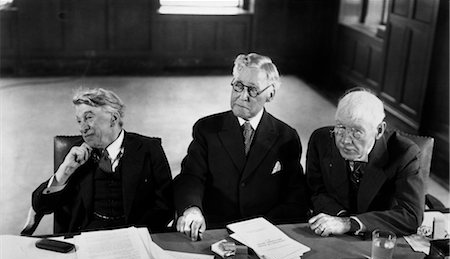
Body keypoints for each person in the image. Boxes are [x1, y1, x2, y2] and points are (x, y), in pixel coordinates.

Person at [174, 53, 308, 241]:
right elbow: (191, 177)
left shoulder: (286, 137)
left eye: (252, 90)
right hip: (213, 230)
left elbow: (295, 195)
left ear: (270, 94)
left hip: (265, 233)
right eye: (238, 86)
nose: (242, 96)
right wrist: (192, 209)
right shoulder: (206, 129)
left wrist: (262, 229)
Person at [32, 88, 173, 233]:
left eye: (89, 118)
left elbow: (166, 205)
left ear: (113, 119)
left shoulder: (148, 148)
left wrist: (138, 234)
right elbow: (41, 206)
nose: (83, 128)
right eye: (79, 121)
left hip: (135, 237)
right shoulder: (75, 154)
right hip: (86, 239)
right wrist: (65, 171)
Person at [306, 88, 424, 237]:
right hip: (333, 231)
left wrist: (350, 223)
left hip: (379, 238)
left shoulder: (404, 153)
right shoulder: (321, 140)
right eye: (341, 127)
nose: (345, 140)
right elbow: (315, 190)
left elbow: (410, 215)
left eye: (357, 131)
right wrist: (339, 217)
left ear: (379, 130)